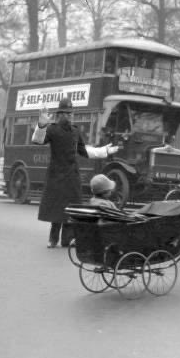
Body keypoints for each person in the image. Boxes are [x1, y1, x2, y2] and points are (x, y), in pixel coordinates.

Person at [32, 98, 118, 248]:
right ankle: (53, 239)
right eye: (66, 113)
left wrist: (104, 151)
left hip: (72, 176)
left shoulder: (75, 131)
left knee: (71, 208)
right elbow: (37, 141)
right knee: (57, 208)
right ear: (60, 114)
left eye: (71, 113)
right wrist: (41, 124)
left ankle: (67, 239)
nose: (70, 116)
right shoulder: (52, 129)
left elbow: (84, 151)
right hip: (56, 175)